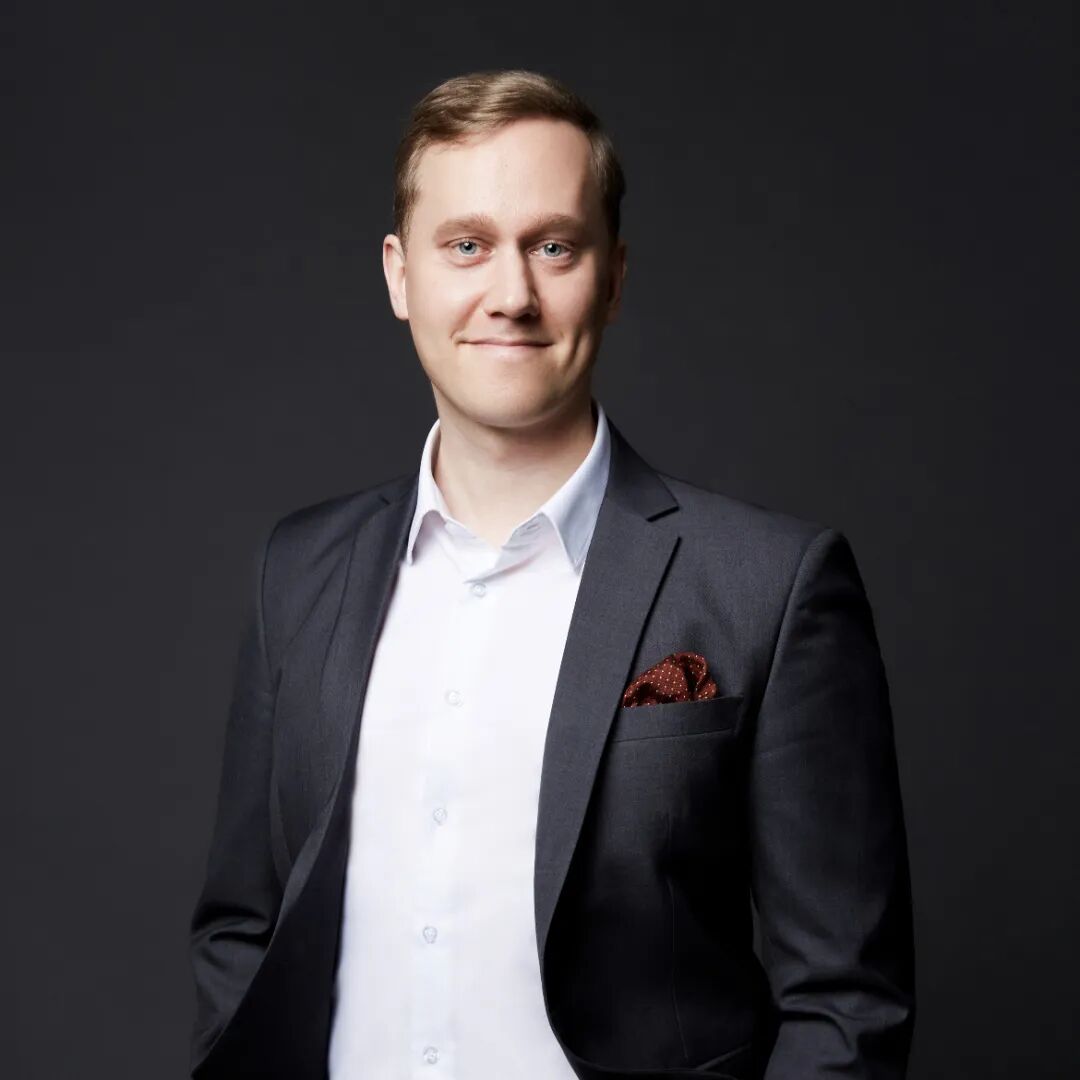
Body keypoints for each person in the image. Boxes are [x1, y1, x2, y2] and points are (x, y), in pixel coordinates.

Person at [188, 69, 915, 1080]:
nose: (512, 295)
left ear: (613, 277)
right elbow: (242, 925)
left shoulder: (770, 586)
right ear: (400, 275)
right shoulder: (299, 569)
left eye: (554, 247)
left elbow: (845, 1001)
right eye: (467, 245)